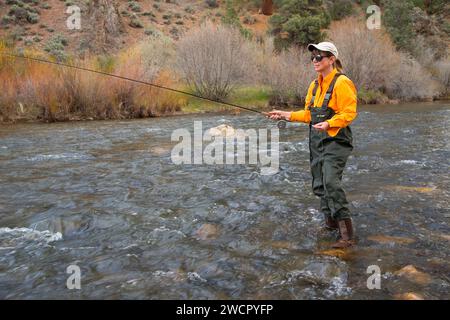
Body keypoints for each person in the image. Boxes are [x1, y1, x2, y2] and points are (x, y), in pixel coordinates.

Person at [268, 42, 357, 248]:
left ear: (332, 59)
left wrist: (329, 123)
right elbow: (308, 114)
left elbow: (349, 112)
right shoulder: (314, 85)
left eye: (320, 57)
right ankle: (331, 225)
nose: (315, 61)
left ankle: (347, 237)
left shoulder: (342, 83)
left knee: (332, 182)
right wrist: (285, 114)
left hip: (336, 140)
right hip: (316, 141)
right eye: (313, 57)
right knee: (320, 184)